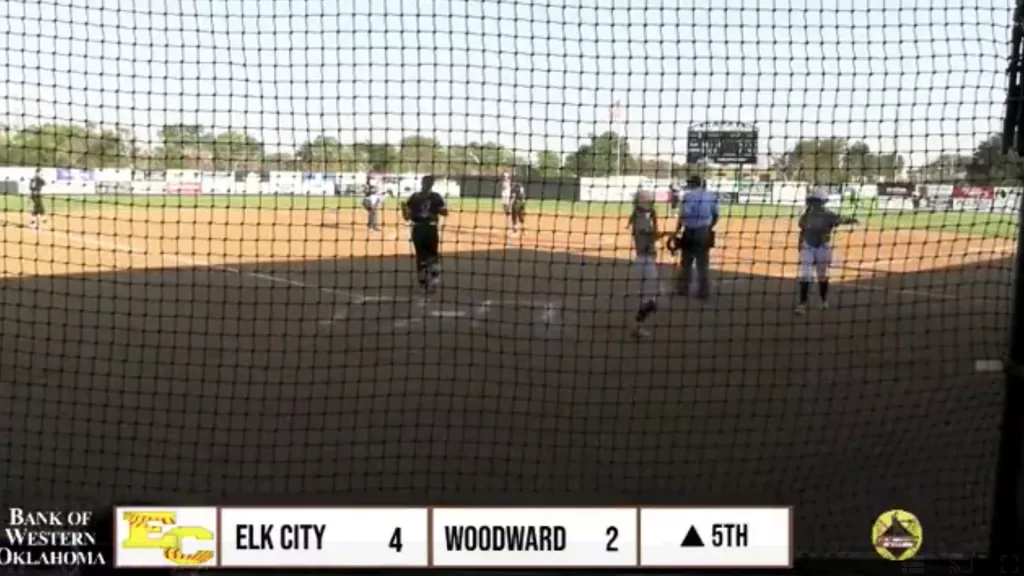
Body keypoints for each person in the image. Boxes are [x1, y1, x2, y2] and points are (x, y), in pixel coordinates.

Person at [795, 188, 859, 314]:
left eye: (815, 201)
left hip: (822, 247)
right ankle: (802, 304)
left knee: (822, 275)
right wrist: (800, 244)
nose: (812, 203)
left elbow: (840, 220)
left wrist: (852, 220)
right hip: (808, 246)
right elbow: (802, 231)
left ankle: (823, 300)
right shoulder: (806, 215)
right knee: (806, 275)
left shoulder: (829, 215)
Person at [674, 175, 719, 300]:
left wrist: (676, 231)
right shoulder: (711, 196)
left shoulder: (688, 197)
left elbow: (683, 216)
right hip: (704, 231)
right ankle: (703, 292)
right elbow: (715, 215)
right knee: (702, 263)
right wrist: (709, 227)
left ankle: (683, 289)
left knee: (686, 262)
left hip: (689, 231)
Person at [402, 175, 449, 293]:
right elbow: (407, 217)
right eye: (426, 182)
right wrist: (404, 209)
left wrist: (440, 209)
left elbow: (444, 213)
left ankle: (429, 282)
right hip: (422, 228)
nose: (427, 184)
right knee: (425, 256)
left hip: (426, 228)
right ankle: (427, 282)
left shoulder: (425, 197)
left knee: (428, 255)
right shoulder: (419, 197)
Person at [627, 187, 661, 339]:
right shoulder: (641, 220)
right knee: (650, 300)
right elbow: (648, 237)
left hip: (645, 261)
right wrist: (663, 235)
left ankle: (638, 326)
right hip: (645, 262)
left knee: (649, 298)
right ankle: (637, 327)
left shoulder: (640, 216)